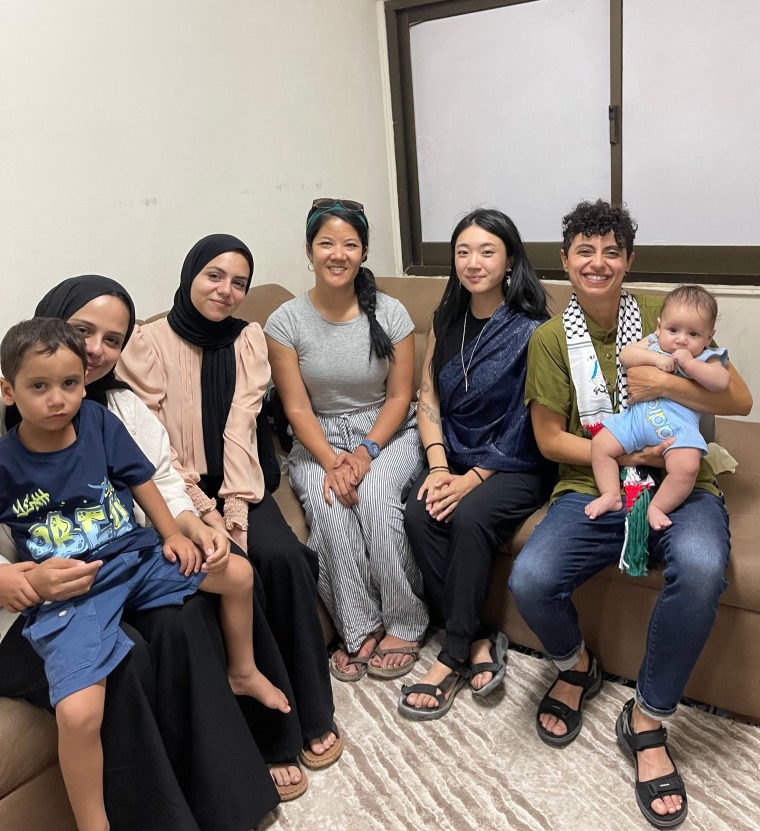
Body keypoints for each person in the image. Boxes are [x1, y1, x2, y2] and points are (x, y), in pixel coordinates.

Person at [0, 275, 280, 831]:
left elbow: (148, 478)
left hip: (130, 559)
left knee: (236, 577)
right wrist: (9, 581)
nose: (58, 399)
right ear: (8, 390)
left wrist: (181, 529)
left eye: (71, 383)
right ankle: (95, 821)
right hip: (69, 594)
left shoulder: (103, 415)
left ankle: (244, 673)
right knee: (85, 707)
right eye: (39, 387)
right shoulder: (7, 457)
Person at [510, 200, 752, 829]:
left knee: (701, 569)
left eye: (611, 251)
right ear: (564, 261)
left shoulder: (662, 314)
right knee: (530, 579)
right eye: (584, 251)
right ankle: (576, 666)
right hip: (594, 480)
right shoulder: (548, 338)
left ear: (628, 260)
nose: (598, 263)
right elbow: (548, 440)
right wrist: (627, 452)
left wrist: (667, 387)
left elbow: (742, 396)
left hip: (683, 480)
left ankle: (646, 716)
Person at [117, 234, 341, 791]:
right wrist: (200, 510)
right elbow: (154, 447)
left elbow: (244, 428)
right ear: (190, 273)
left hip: (242, 487)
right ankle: (271, 738)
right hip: (179, 493)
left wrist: (233, 508)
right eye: (214, 275)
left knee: (285, 558)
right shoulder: (144, 343)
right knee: (240, 574)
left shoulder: (249, 339)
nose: (227, 290)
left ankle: (314, 713)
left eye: (239, 282)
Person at [264, 199, 428, 682]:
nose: (338, 254)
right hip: (317, 436)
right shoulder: (285, 321)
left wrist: (363, 452)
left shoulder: (391, 313)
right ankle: (358, 627)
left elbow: (401, 396)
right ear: (310, 251)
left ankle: (405, 619)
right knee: (329, 501)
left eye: (350, 244)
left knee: (375, 495)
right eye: (327, 243)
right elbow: (295, 407)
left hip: (386, 431)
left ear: (364, 252)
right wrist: (331, 460)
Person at [400, 209, 552, 720]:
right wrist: (440, 468)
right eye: (463, 252)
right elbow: (428, 396)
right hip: (456, 454)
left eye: (487, 251)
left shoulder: (534, 329)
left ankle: (452, 653)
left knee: (468, 515)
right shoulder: (446, 319)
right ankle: (483, 639)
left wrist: (472, 479)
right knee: (419, 510)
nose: (473, 262)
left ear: (509, 259)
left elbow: (528, 420)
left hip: (517, 461)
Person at [587, 285, 730, 532]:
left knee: (687, 467)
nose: (681, 339)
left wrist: (691, 365)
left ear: (708, 337)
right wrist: (656, 359)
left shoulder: (707, 356)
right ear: (659, 326)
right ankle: (610, 494)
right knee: (600, 445)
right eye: (673, 330)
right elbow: (626, 355)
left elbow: (721, 382)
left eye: (693, 334)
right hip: (634, 420)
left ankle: (659, 506)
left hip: (677, 429)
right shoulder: (653, 343)